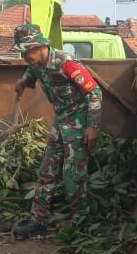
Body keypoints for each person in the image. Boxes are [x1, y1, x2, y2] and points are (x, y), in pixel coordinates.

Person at [11, 23, 102, 239]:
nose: (24, 57)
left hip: (79, 121)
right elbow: (30, 74)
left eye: (25, 52)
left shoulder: (66, 63)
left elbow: (95, 92)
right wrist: (22, 83)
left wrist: (92, 126)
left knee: (73, 174)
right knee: (46, 170)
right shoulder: (37, 65)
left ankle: (80, 223)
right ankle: (38, 222)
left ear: (36, 47)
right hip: (61, 121)